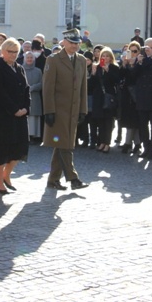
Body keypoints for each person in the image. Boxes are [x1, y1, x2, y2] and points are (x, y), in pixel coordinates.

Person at [43, 28, 89, 190]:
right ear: (64, 42)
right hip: (58, 110)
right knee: (66, 145)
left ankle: (53, 179)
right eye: (72, 43)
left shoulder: (82, 60)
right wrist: (49, 110)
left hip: (74, 110)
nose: (75, 46)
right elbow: (48, 88)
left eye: (77, 43)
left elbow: (83, 87)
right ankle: (73, 179)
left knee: (62, 143)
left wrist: (83, 109)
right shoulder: (53, 59)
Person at [0, 37, 30, 194]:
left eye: (16, 52)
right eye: (10, 51)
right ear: (2, 52)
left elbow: (26, 89)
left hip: (20, 115)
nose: (13, 54)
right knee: (1, 150)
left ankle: (6, 176)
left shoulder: (19, 68)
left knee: (19, 148)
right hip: (2, 116)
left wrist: (26, 107)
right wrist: (14, 110)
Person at [132, 38, 152, 160]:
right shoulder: (141, 60)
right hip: (142, 98)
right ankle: (146, 147)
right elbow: (133, 76)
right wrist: (138, 63)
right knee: (142, 126)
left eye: (151, 47)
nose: (148, 49)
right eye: (146, 47)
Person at [89, 46, 120, 153]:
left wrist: (108, 71)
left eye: (107, 56)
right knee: (100, 121)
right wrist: (92, 74)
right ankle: (101, 142)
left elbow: (117, 81)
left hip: (109, 97)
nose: (105, 58)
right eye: (103, 56)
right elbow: (91, 85)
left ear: (111, 58)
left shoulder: (114, 67)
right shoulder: (97, 67)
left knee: (108, 122)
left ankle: (107, 143)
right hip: (98, 97)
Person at [119, 41, 141, 154]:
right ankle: (136, 143)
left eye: (135, 51)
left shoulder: (140, 63)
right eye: (130, 51)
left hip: (137, 95)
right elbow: (121, 77)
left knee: (135, 121)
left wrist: (133, 65)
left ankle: (129, 143)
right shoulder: (126, 63)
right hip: (127, 95)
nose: (132, 53)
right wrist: (124, 65)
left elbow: (134, 77)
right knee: (130, 121)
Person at [23, 51, 43, 144]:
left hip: (35, 96)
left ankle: (34, 136)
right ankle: (26, 136)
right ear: (25, 59)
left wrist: (33, 87)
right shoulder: (21, 69)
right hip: (24, 96)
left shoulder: (38, 71)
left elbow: (41, 83)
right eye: (28, 58)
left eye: (31, 58)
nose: (29, 59)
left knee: (34, 116)